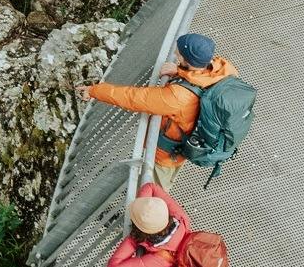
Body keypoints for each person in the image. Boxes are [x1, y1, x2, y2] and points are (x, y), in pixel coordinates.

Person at [76, 32, 239, 174]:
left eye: (179, 53)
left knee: (154, 193)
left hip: (167, 157)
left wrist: (93, 91)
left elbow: (132, 97)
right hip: (191, 138)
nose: (176, 53)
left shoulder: (178, 97)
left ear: (185, 60)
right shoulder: (221, 69)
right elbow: (199, 79)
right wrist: (180, 71)